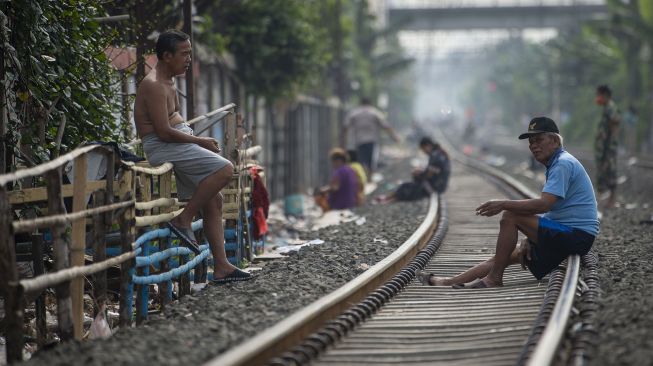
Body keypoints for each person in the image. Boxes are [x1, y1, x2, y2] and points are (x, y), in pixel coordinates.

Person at [419, 117, 598, 288]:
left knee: (510, 216)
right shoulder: (557, 163)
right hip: (567, 232)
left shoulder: (562, 164)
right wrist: (530, 236)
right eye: (531, 142)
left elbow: (544, 205)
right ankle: (446, 282)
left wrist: (503, 204)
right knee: (500, 258)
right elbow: (553, 210)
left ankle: (494, 278)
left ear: (554, 141)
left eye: (538, 140)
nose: (533, 146)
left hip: (576, 235)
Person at [133, 29, 251, 284]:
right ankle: (183, 219)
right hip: (163, 145)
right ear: (166, 56)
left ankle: (221, 267)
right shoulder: (153, 85)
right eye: (184, 54)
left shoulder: (169, 80)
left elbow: (172, 123)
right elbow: (163, 132)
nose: (189, 59)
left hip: (176, 141)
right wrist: (200, 141)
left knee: (214, 200)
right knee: (225, 169)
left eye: (190, 53)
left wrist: (190, 135)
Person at [376, 137, 450, 203]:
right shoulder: (438, 153)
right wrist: (421, 172)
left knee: (406, 186)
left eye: (423, 149)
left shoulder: (436, 156)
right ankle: (390, 198)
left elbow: (429, 174)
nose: (424, 152)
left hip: (436, 187)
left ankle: (388, 198)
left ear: (428, 146)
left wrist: (420, 174)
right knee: (408, 185)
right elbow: (432, 172)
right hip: (439, 185)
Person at [343, 96, 401, 173]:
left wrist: (343, 142)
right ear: (370, 103)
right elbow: (386, 126)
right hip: (371, 142)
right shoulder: (374, 112)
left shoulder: (354, 113)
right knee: (371, 163)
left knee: (361, 162)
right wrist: (395, 137)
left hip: (358, 142)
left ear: (360, 103)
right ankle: (368, 177)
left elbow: (345, 127)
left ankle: (363, 177)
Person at [594, 85, 621, 209]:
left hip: (609, 147)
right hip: (604, 147)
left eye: (599, 95)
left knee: (611, 171)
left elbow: (614, 129)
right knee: (605, 171)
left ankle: (613, 200)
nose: (597, 98)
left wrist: (611, 148)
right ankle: (608, 199)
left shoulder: (611, 108)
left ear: (605, 95)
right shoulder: (607, 108)